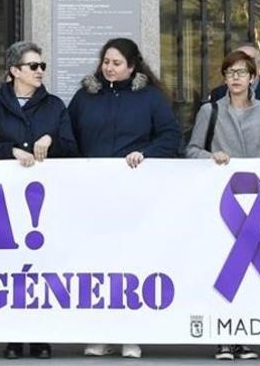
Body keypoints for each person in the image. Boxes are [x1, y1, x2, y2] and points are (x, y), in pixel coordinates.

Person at [68, 38, 180, 360]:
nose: (109, 68)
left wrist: (145, 153)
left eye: (117, 63)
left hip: (135, 196)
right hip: (94, 196)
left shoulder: (150, 98)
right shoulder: (85, 98)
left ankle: (132, 334)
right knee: (97, 265)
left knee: (130, 264)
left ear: (132, 67)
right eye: (106, 62)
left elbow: (171, 137)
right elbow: (69, 138)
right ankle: (100, 333)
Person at [0, 41, 75, 360]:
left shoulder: (55, 106)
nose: (40, 71)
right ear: (15, 71)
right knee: (10, 270)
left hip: (44, 202)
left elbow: (72, 147)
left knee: (43, 267)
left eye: (42, 66)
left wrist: (51, 139)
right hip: (6, 201)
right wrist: (11, 151)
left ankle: (41, 336)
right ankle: (14, 336)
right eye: (34, 66)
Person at [184, 50, 260, 361]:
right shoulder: (210, 111)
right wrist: (210, 157)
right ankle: (222, 339)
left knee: (250, 271)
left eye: (242, 72)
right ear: (224, 78)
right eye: (230, 73)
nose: (236, 78)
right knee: (223, 266)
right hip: (221, 201)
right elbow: (190, 150)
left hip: (255, 200)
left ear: (253, 77)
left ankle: (244, 337)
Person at [208, 42, 260, 139]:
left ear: (259, 63)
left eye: (249, 59)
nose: (244, 64)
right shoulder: (219, 93)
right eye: (239, 59)